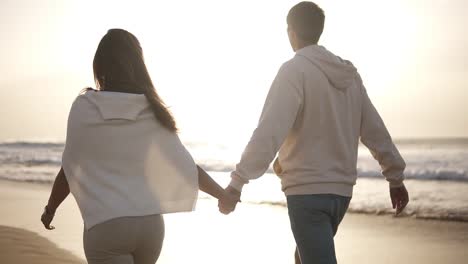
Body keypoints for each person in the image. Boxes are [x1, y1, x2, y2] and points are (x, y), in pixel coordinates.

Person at [218, 2, 409, 264]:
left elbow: (269, 131)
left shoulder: (294, 70)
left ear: (290, 31)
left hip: (307, 193)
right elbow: (375, 130)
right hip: (341, 194)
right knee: (305, 256)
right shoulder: (349, 76)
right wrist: (395, 177)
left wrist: (237, 182)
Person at [41, 28, 238, 264]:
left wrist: (51, 208)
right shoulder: (153, 109)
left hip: (106, 225)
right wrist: (222, 195)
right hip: (150, 226)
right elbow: (184, 166)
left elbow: (70, 167)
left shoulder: (84, 107)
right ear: (138, 64)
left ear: (100, 65)